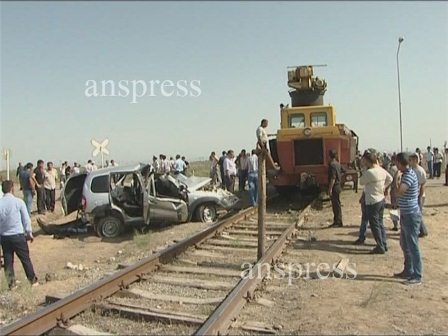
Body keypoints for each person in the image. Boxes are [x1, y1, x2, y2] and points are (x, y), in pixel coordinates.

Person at [0, 180, 38, 289]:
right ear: (12, 188)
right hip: (17, 235)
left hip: (4, 236)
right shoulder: (18, 202)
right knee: (25, 258)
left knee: (8, 260)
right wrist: (29, 232)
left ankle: (11, 284)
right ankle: (33, 280)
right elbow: (26, 219)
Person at [394, 152, 423, 285]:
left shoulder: (408, 175)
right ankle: (408, 270)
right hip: (406, 214)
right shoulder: (406, 174)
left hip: (411, 215)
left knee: (412, 245)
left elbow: (400, 191)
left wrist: (396, 179)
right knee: (405, 244)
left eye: (396, 163)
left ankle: (417, 275)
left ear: (400, 163)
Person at [359, 150, 393, 254]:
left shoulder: (369, 172)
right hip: (380, 199)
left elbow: (361, 182)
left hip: (372, 200)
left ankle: (380, 246)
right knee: (380, 223)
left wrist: (364, 169)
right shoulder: (381, 170)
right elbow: (390, 179)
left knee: (374, 225)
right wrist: (383, 187)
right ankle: (384, 243)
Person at [409, 153, 428, 237]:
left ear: (416, 161)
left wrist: (419, 196)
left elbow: (422, 184)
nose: (409, 162)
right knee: (415, 214)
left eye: (411, 160)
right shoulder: (412, 169)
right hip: (413, 195)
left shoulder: (420, 171)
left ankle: (422, 230)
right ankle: (421, 230)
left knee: (417, 214)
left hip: (418, 195)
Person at [328, 149, 343, 228]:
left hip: (334, 187)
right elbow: (344, 171)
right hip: (338, 186)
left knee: (336, 205)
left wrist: (330, 188)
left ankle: (338, 222)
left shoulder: (332, 165)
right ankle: (337, 221)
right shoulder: (338, 164)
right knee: (337, 205)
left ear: (329, 156)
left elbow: (333, 178)